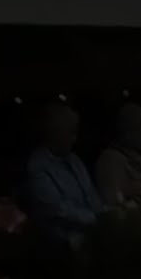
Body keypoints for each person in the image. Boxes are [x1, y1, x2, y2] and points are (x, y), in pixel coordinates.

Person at [23, 101, 103, 247]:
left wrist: (107, 216)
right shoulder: (37, 166)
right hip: (61, 246)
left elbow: (91, 196)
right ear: (53, 132)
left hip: (91, 236)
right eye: (71, 132)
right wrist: (98, 219)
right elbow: (58, 210)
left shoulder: (75, 160)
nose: (75, 139)